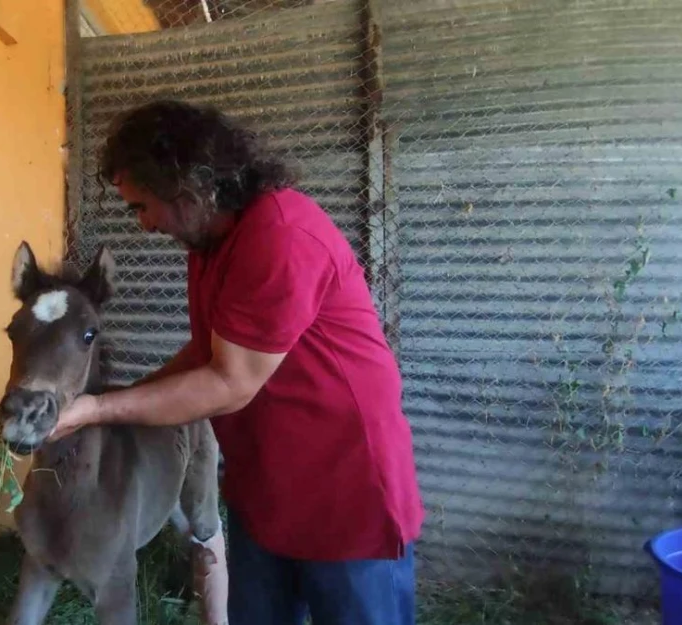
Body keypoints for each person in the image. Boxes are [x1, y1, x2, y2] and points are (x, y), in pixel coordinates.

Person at [49, 99, 424, 625]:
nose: (145, 225)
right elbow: (207, 352)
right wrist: (108, 404)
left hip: (343, 490)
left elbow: (229, 382)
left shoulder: (280, 236)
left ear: (185, 186)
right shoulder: (209, 248)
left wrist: (97, 411)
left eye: (143, 206)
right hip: (268, 486)